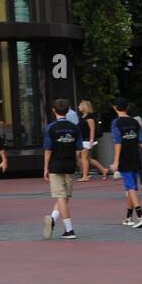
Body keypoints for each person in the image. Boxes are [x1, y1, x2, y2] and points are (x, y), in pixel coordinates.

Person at [42, 98, 82, 240]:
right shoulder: (74, 127)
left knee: (60, 196)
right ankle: (53, 218)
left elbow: (48, 149)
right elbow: (78, 150)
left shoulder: (51, 128)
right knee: (64, 196)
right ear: (68, 110)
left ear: (54, 111)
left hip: (55, 165)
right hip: (70, 165)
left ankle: (69, 229)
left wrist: (45, 167)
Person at [109, 98, 142, 228]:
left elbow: (117, 142)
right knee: (132, 187)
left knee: (130, 186)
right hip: (135, 155)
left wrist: (115, 161)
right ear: (127, 108)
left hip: (124, 157)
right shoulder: (134, 122)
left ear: (115, 107)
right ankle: (128, 216)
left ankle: (140, 215)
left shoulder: (116, 123)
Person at [76, 101, 108, 181]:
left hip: (87, 140)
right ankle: (103, 170)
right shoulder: (83, 116)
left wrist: (91, 140)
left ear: (84, 106)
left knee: (83, 157)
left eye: (80, 105)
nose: (78, 106)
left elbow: (92, 129)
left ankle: (85, 176)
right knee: (88, 158)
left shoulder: (89, 117)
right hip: (83, 139)